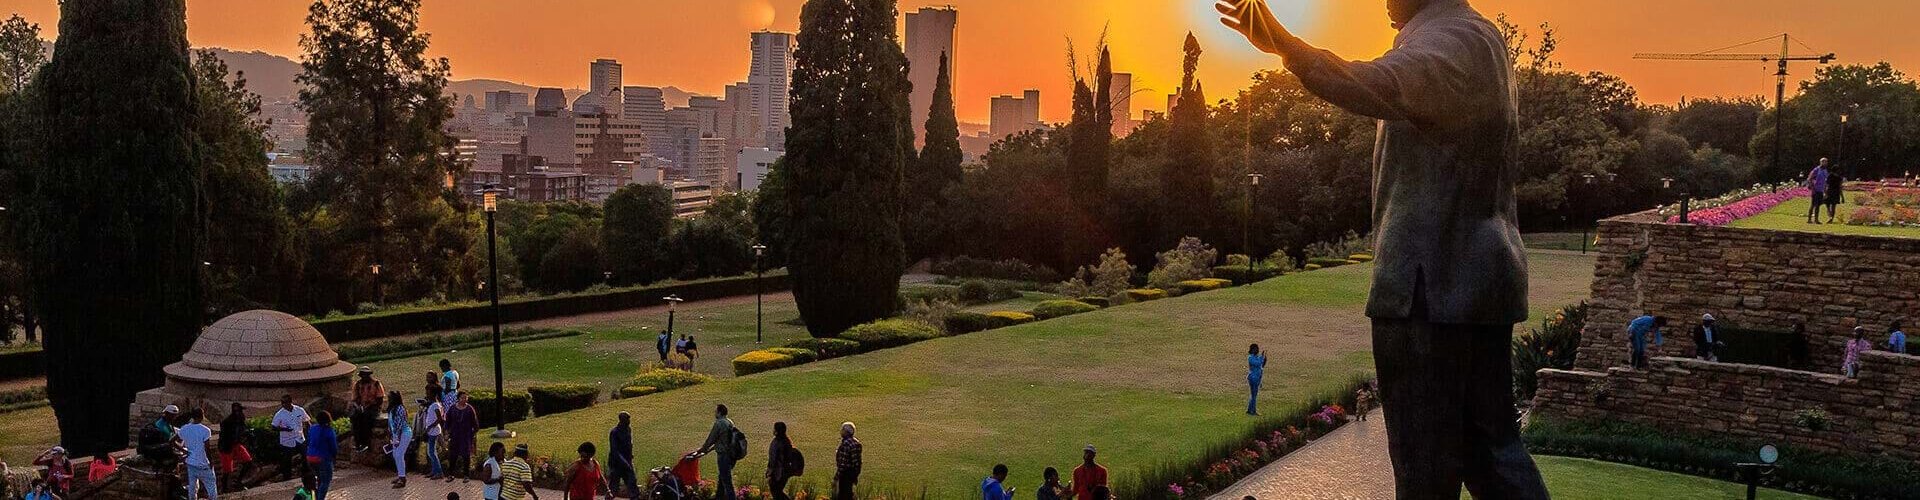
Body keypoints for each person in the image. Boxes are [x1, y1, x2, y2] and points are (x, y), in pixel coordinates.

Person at [1216, 0, 1551, 497]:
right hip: (1470, 277)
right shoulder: (1476, 37)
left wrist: (1285, 46)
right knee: (1488, 452)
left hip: (1430, 286)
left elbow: (1375, 83)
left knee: (1425, 467)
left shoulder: (1450, 40)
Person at [689, 404, 740, 500]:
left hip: (724, 455)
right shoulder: (730, 422)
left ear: (719, 412)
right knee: (722, 478)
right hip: (731, 455)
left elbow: (711, 440)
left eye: (716, 411)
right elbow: (720, 441)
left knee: (726, 481)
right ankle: (719, 497)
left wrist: (701, 450)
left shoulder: (719, 423)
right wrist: (707, 450)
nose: (714, 413)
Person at [179, 409, 219, 500]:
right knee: (211, 486)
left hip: (190, 462)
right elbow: (207, 449)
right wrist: (211, 463)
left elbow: (172, 441)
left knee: (192, 487)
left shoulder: (184, 428)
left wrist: (183, 450)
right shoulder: (205, 430)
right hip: (203, 463)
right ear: (202, 416)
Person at [271, 394, 311, 481]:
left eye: (285, 402)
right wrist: (284, 429)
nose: (283, 404)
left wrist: (309, 434)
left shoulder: (299, 410)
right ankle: (287, 477)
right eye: (282, 403)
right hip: (287, 440)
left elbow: (307, 421)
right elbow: (273, 427)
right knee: (287, 459)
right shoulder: (279, 414)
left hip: (299, 438)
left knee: (305, 456)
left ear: (290, 402)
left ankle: (306, 473)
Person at [218, 403, 253, 492]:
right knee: (227, 471)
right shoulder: (227, 422)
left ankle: (238, 482)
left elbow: (242, 431)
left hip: (236, 444)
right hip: (226, 447)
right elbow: (223, 436)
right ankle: (224, 489)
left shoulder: (240, 419)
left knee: (248, 461)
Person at [445, 391, 480, 483]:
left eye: (466, 398)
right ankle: (450, 474)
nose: (464, 399)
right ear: (458, 398)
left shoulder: (469, 409)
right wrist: (447, 432)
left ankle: (466, 475)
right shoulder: (453, 408)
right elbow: (447, 421)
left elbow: (475, 422)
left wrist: (474, 432)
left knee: (466, 456)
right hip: (455, 435)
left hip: (466, 436)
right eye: (462, 398)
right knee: (453, 455)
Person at [305, 411, 339, 500]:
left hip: (310, 457)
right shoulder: (329, 431)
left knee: (319, 479)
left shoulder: (313, 428)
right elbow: (333, 447)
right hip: (323, 458)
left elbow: (308, 440)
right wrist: (334, 457)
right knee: (325, 481)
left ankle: (316, 497)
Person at [349, 367, 384, 452]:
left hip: (373, 407)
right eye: (362, 375)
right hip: (361, 407)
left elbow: (380, 399)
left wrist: (370, 406)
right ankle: (358, 443)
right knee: (355, 419)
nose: (363, 377)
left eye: (365, 375)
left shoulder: (376, 383)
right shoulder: (358, 384)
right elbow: (354, 399)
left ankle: (365, 443)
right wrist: (358, 407)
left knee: (366, 419)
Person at [607, 412, 638, 498]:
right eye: (627, 419)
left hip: (627, 460)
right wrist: (625, 463)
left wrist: (630, 455)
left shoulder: (628, 429)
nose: (629, 421)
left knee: (632, 483)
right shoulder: (614, 432)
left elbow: (629, 443)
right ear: (621, 420)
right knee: (614, 486)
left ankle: (634, 497)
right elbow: (615, 451)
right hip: (616, 463)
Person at [387, 391, 413, 488]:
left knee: (399, 455)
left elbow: (399, 424)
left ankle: (402, 478)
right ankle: (400, 475)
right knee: (395, 455)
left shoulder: (400, 408)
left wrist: (397, 438)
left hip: (404, 433)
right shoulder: (392, 409)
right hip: (396, 434)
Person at [766, 422, 797, 500]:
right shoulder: (785, 441)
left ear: (777, 431)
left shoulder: (778, 443)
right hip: (783, 472)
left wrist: (770, 472)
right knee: (777, 492)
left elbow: (774, 459)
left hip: (778, 473)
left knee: (776, 493)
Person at [419, 397, 446, 480]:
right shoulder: (435, 405)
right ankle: (434, 471)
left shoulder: (435, 405)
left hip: (433, 431)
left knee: (431, 452)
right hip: (432, 431)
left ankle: (439, 472)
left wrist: (430, 426)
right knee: (430, 452)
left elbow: (439, 418)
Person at [834, 422, 862, 500]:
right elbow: (858, 462)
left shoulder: (845, 444)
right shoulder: (856, 443)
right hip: (853, 473)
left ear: (846, 432)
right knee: (849, 494)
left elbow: (842, 464)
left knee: (843, 495)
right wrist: (856, 475)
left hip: (845, 474)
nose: (841, 431)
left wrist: (836, 478)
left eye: (842, 430)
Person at [1807, 158, 1832, 224]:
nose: (1826, 163)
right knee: (1813, 205)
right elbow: (1809, 179)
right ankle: (1810, 219)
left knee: (1818, 205)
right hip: (1816, 190)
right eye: (1824, 162)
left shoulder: (1825, 171)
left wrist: (1825, 191)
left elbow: (1825, 181)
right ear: (1821, 162)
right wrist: (1813, 188)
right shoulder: (1816, 170)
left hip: (1821, 190)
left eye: (1826, 162)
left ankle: (1816, 219)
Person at [1246, 344, 1267, 415]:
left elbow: (1261, 365)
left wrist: (1264, 359)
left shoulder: (1257, 357)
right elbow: (1257, 363)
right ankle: (1253, 411)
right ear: (1252, 350)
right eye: (1255, 349)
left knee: (1253, 394)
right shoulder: (1250, 358)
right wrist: (1262, 357)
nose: (1257, 350)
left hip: (1257, 377)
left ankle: (1249, 409)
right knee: (1254, 395)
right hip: (1253, 377)